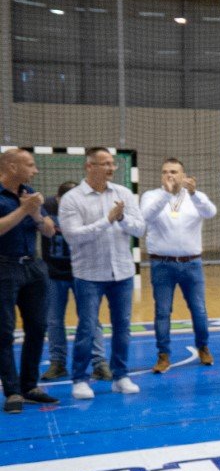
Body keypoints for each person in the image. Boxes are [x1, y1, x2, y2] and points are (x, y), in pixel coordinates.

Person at [58, 147, 146, 400]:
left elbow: (140, 229)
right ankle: (80, 379)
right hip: (88, 275)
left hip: (122, 272)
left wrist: (121, 219)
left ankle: (121, 376)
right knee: (87, 328)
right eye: (104, 163)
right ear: (89, 167)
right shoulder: (73, 199)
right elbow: (73, 236)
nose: (110, 168)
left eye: (112, 163)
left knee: (123, 327)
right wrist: (107, 220)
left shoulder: (123, 193)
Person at [140, 158, 216, 373]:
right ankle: (163, 355)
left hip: (192, 263)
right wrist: (166, 194)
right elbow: (145, 217)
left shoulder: (195, 196)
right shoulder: (151, 196)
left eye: (174, 172)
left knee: (199, 309)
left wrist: (194, 194)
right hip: (161, 264)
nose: (169, 175)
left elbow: (210, 212)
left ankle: (203, 347)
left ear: (183, 175)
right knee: (162, 311)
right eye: (165, 172)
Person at [0, 149, 59, 414]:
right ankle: (12, 391)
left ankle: (30, 386)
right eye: (30, 165)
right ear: (12, 167)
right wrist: (24, 209)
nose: (35, 170)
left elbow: (49, 231)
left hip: (33, 267)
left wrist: (35, 213)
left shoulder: (30, 193)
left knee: (37, 327)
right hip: (4, 266)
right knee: (4, 331)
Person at [42, 181, 106, 382]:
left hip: (83, 273)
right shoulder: (46, 206)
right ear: (58, 199)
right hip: (53, 273)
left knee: (90, 318)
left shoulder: (87, 207)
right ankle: (57, 363)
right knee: (53, 320)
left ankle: (99, 362)